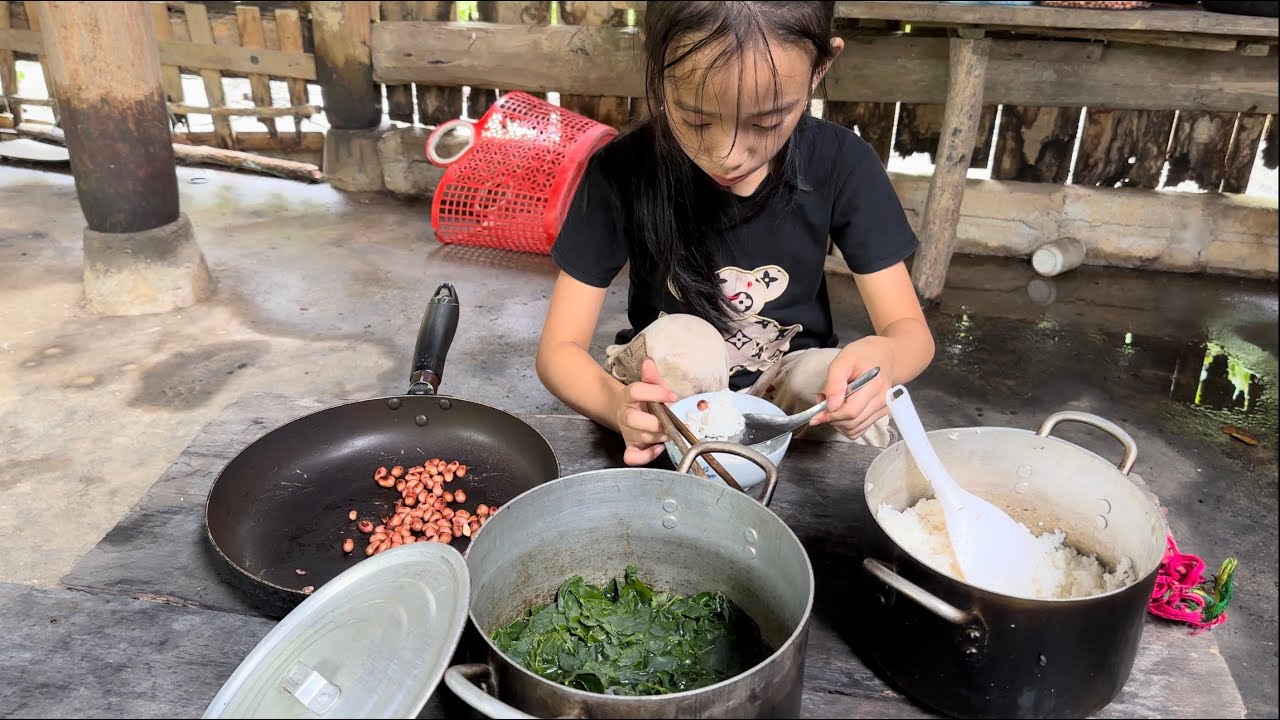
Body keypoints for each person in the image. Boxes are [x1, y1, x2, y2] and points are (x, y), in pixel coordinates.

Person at [536, 1, 936, 467]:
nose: (727, 155)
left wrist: (884, 356)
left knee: (850, 392)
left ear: (819, 67)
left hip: (786, 383)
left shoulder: (843, 163)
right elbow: (558, 351)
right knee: (682, 344)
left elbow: (911, 335)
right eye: (696, 119)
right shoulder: (622, 171)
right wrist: (615, 405)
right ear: (658, 57)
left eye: (766, 123)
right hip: (673, 392)